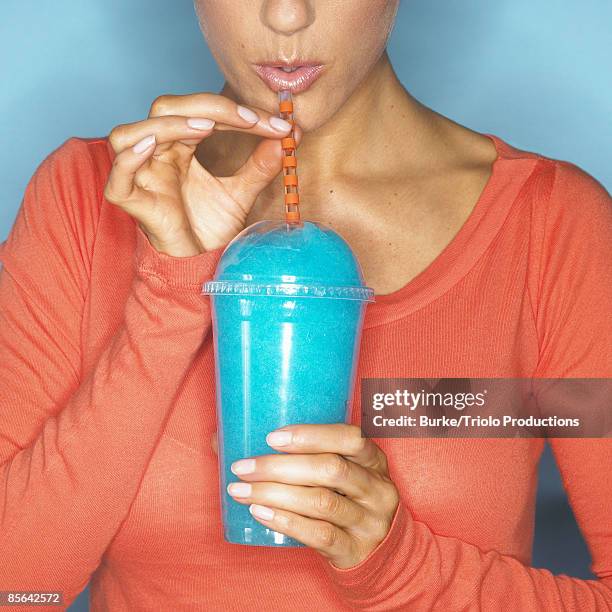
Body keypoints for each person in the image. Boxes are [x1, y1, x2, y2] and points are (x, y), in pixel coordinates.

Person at [1, 1, 610, 610]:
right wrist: (171, 290)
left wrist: (398, 568)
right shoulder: (88, 200)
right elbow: (17, 582)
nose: (287, 16)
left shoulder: (550, 226)